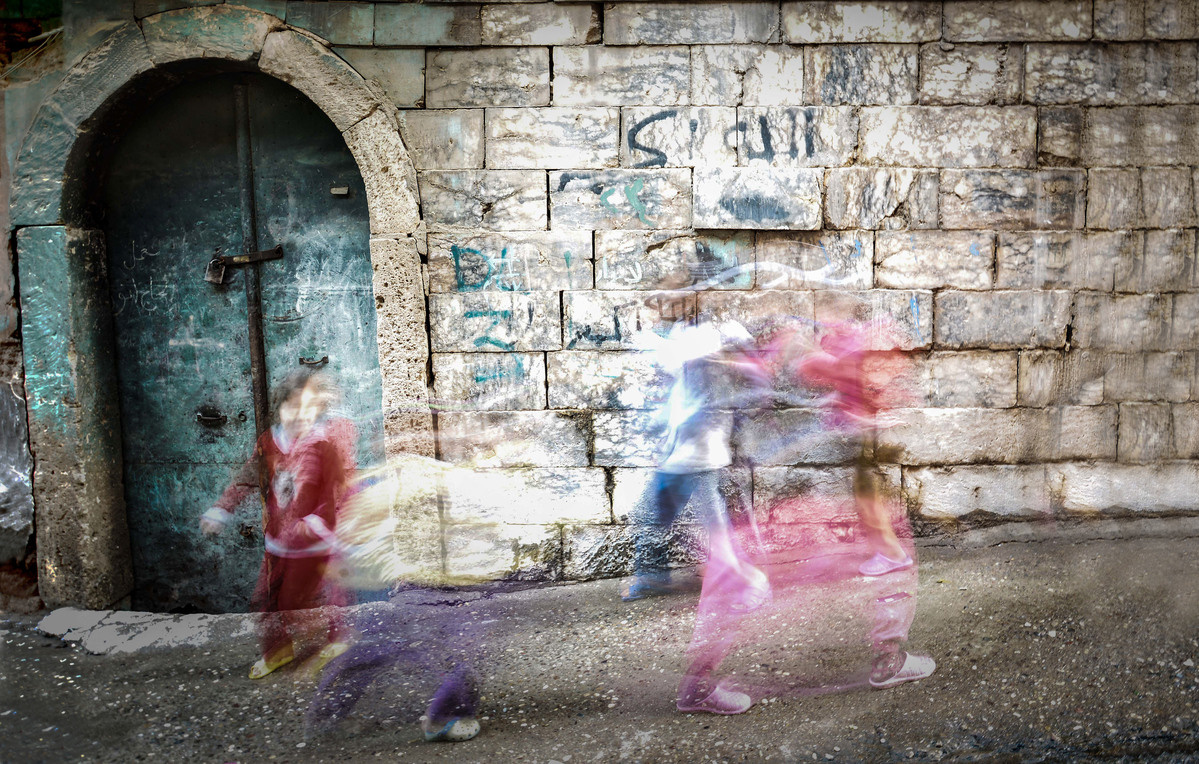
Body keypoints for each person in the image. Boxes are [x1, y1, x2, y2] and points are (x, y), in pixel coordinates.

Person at [622, 285, 770, 715]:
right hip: (684, 453)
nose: (664, 307)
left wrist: (646, 332)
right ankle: (655, 576)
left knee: (714, 541)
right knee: (653, 516)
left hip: (699, 455)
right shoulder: (701, 335)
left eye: (670, 301)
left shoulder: (712, 335)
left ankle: (701, 677)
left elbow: (739, 382)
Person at [200, 368, 351, 679]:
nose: (299, 416)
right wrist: (222, 509)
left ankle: (338, 638)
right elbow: (247, 479)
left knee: (305, 600)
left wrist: (318, 521)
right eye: (291, 407)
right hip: (277, 542)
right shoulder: (269, 441)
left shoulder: (323, 445)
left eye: (308, 409)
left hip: (313, 544)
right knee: (264, 601)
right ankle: (278, 650)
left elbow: (336, 488)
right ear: (279, 408)